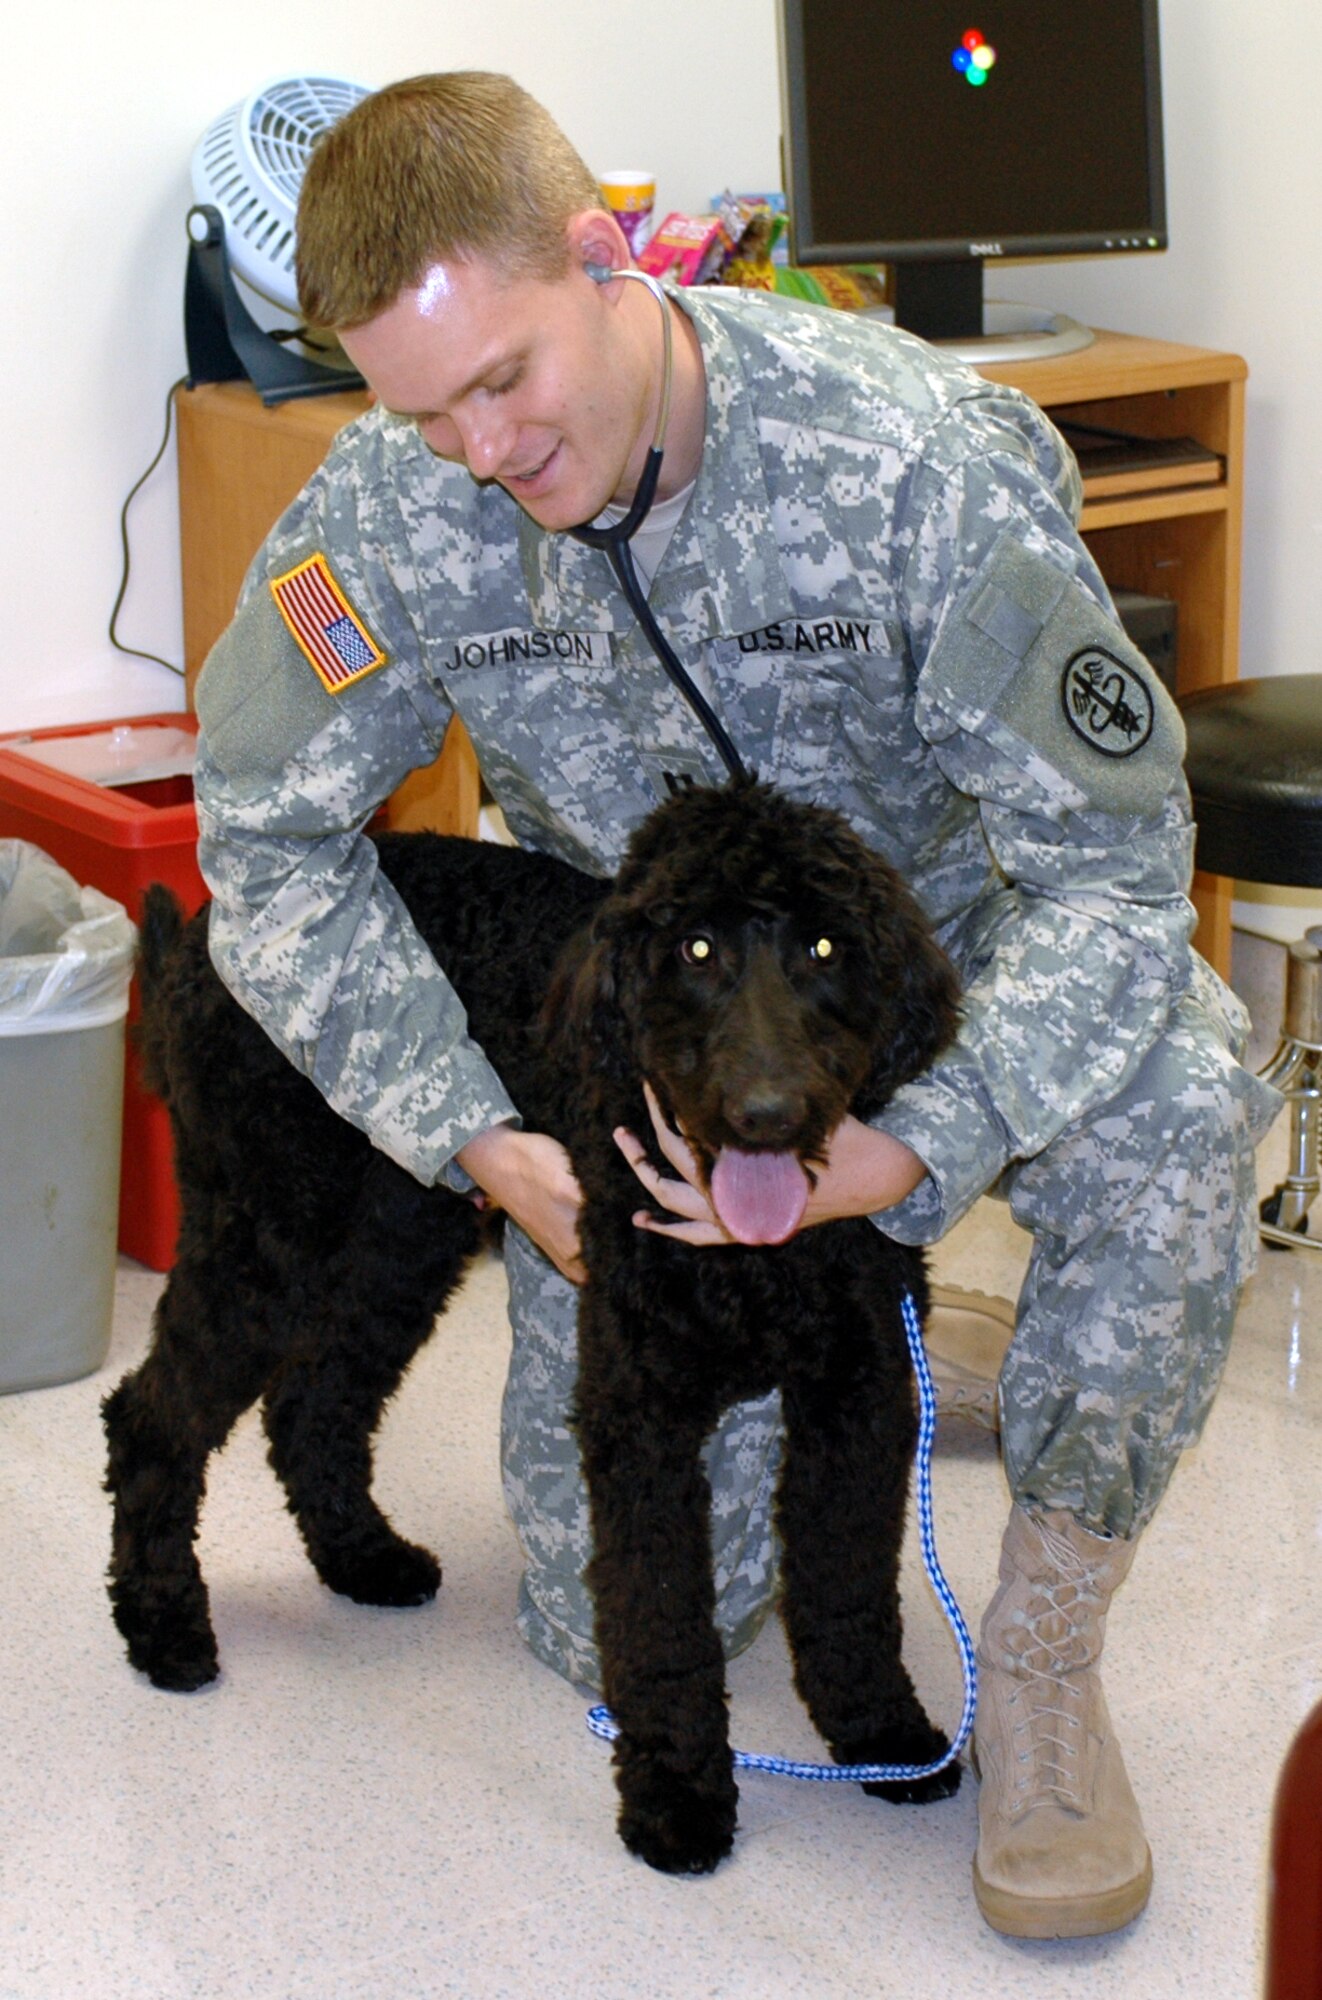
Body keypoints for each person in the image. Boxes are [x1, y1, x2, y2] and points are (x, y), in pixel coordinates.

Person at [191, 71, 1280, 1938]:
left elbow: (1113, 870)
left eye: (506, 380)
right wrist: (485, 1143)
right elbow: (264, 847)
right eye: (417, 405)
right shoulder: (390, 510)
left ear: (609, 259)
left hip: (942, 960)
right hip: (668, 1023)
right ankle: (910, 1318)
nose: (473, 450)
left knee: (1180, 1105)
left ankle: (1037, 1654)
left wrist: (919, 1141)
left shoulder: (917, 463)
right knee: (600, 1629)